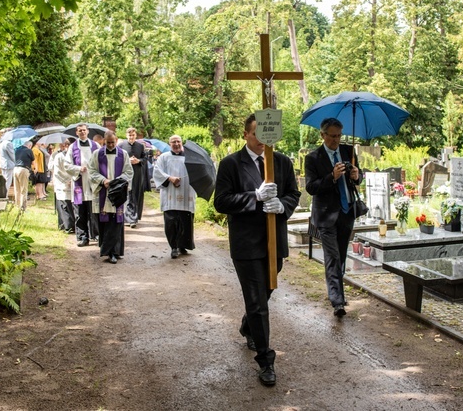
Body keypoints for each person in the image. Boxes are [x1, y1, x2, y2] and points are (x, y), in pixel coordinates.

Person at [214, 114, 300, 387]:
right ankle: (265, 360)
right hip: (247, 244)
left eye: (267, 134)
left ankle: (248, 325)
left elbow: (293, 194)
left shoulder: (282, 162)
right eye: (257, 134)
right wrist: (255, 197)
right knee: (257, 301)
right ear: (246, 135)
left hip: (275, 242)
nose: (263, 139)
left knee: (266, 292)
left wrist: (282, 206)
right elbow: (221, 201)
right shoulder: (230, 164)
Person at [304, 117, 365, 318]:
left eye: (339, 136)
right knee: (332, 257)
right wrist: (332, 177)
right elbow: (311, 188)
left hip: (347, 212)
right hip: (326, 215)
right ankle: (337, 301)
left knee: (341, 256)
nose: (336, 140)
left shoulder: (348, 151)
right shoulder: (313, 158)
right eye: (332, 136)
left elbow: (359, 177)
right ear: (322, 135)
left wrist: (357, 175)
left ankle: (337, 290)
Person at [88, 131, 133, 263]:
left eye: (113, 142)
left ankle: (115, 251)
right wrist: (103, 181)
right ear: (104, 141)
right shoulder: (97, 154)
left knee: (116, 222)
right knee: (105, 221)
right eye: (108, 142)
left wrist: (117, 182)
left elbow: (129, 171)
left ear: (116, 140)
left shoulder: (123, 154)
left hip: (117, 192)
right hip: (103, 190)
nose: (111, 145)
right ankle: (107, 250)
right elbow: (91, 170)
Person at [152, 135, 196, 259]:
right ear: (169, 143)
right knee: (171, 222)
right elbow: (157, 171)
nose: (176, 144)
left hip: (187, 193)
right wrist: (170, 178)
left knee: (185, 221)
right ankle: (174, 247)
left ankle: (183, 245)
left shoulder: (189, 157)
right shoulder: (164, 157)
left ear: (182, 143)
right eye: (173, 142)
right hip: (170, 194)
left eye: (178, 141)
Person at [64, 124, 100, 247]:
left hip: (93, 182)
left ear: (88, 131)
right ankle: (82, 236)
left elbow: (102, 161)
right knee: (80, 210)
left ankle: (96, 234)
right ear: (77, 133)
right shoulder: (72, 147)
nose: (82, 132)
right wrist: (79, 168)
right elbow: (67, 165)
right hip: (79, 182)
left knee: (94, 210)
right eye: (80, 131)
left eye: (84, 130)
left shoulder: (96, 146)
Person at [117, 127, 146, 228]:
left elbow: (144, 158)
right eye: (129, 135)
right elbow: (117, 158)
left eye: (133, 135)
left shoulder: (140, 146)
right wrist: (128, 160)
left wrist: (139, 161)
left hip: (137, 173)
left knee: (136, 193)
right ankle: (130, 218)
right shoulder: (121, 145)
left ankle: (134, 216)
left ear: (136, 135)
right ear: (126, 135)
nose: (131, 137)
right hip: (125, 173)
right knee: (128, 194)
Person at [49, 139, 76, 233]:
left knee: (71, 205)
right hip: (62, 183)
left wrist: (73, 179)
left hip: (72, 182)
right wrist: (68, 180)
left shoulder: (74, 156)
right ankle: (66, 225)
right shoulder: (58, 156)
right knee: (64, 205)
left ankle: (72, 225)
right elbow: (57, 171)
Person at [13, 141, 35, 211]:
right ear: (29, 145)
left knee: (17, 189)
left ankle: (17, 205)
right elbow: (33, 162)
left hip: (15, 169)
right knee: (24, 189)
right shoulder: (29, 151)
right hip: (23, 169)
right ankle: (23, 208)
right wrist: (35, 169)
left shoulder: (17, 150)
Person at [0, 131, 16, 197]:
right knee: (8, 180)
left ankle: (3, 194)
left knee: (4, 179)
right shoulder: (8, 143)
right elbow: (12, 155)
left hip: (2, 163)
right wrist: (16, 162)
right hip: (8, 164)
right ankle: (5, 195)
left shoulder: (0, 142)